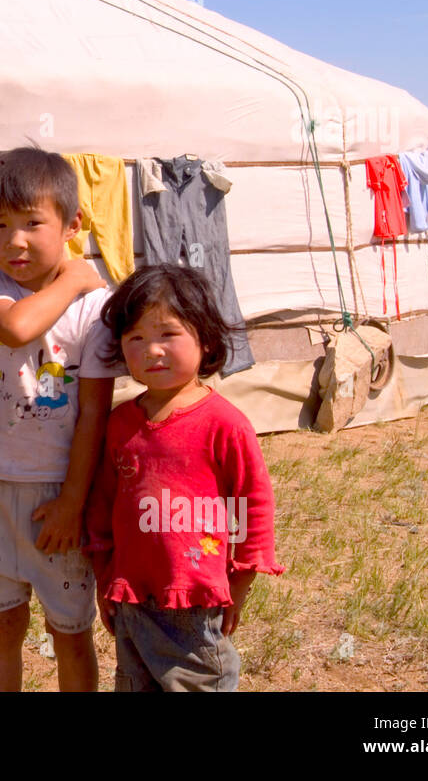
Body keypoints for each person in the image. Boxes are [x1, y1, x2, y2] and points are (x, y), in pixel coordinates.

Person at [86, 263, 284, 691]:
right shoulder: (121, 424)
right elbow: (103, 504)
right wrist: (106, 575)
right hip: (133, 596)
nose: (151, 350)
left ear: (206, 338)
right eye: (135, 338)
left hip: (195, 599)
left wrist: (241, 579)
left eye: (167, 335)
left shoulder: (223, 424)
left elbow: (252, 502)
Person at [0, 148, 115, 691]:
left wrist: (73, 501)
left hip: (58, 490)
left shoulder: (98, 311)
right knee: (1, 622)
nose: (14, 240)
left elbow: (95, 410)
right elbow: (18, 328)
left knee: (70, 629)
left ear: (73, 225)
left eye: (32, 223)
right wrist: (74, 280)